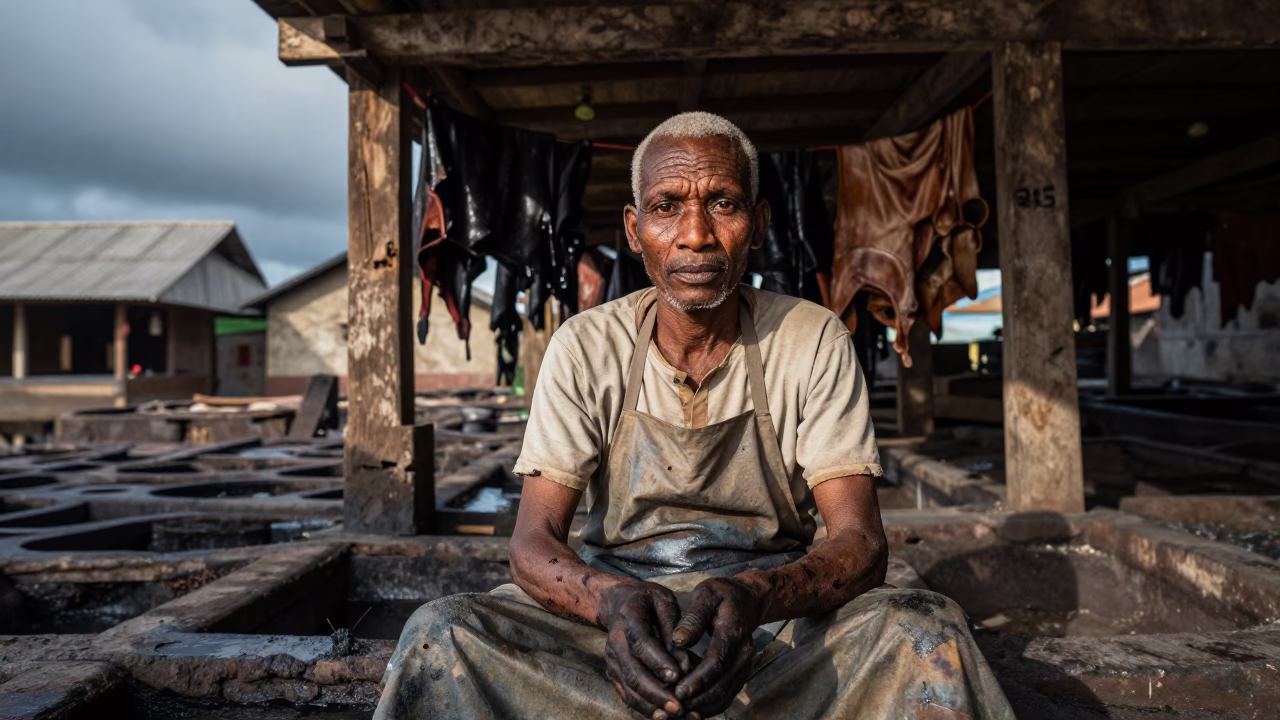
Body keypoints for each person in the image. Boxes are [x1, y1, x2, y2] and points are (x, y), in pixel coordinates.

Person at [376, 112, 1014, 720]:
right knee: (443, 634)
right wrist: (610, 603)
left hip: (771, 623)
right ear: (634, 230)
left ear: (759, 223)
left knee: (923, 630)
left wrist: (757, 595)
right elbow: (532, 543)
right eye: (666, 207)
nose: (695, 234)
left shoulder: (812, 337)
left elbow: (860, 544)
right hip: (618, 619)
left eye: (724, 203)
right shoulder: (585, 344)